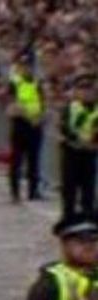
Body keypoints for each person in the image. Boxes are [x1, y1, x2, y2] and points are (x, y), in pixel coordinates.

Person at [25, 213, 98, 300]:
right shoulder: (51, 282)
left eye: (94, 241)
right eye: (81, 242)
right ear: (64, 244)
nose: (89, 246)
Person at [6, 52, 46, 203]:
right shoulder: (15, 83)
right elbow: (12, 104)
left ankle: (33, 191)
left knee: (34, 160)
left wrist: (40, 118)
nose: (25, 68)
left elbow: (43, 102)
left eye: (28, 65)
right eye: (22, 65)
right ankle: (15, 192)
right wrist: (27, 116)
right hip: (20, 124)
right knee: (16, 159)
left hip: (35, 125)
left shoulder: (37, 82)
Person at [60, 74, 98, 219]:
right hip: (72, 153)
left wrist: (93, 142)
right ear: (76, 92)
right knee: (69, 190)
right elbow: (65, 129)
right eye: (82, 89)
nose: (86, 92)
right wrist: (80, 141)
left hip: (90, 154)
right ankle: (68, 219)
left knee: (88, 190)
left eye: (90, 89)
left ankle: (88, 220)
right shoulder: (70, 108)